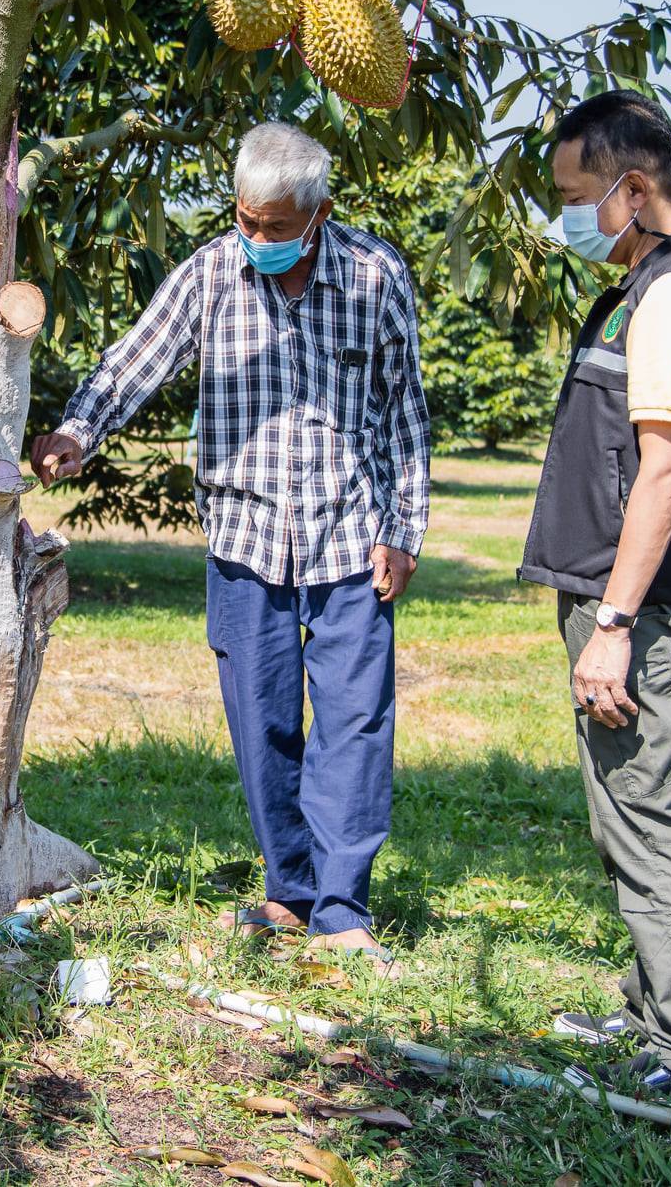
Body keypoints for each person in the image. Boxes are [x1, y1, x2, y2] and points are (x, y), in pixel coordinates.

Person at [31, 121, 430, 969]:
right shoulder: (212, 271)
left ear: (317, 213)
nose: (255, 239)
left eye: (275, 227)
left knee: (354, 723)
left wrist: (404, 529)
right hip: (245, 535)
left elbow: (405, 414)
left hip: (351, 535)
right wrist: (78, 429)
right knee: (260, 720)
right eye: (245, 219)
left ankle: (341, 905)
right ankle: (288, 891)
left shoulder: (373, 275)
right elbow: (138, 357)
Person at [519, 90, 671, 1116]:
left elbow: (665, 471)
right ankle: (653, 1003)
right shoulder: (643, 285)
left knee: (654, 816)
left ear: (635, 188)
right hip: (622, 602)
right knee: (626, 815)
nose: (570, 216)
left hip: (639, 614)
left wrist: (611, 623)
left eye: (579, 196)